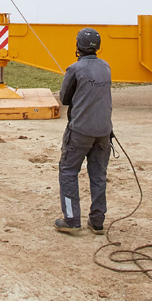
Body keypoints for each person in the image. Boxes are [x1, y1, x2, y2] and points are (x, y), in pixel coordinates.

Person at [54, 27, 113, 235]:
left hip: (79, 132)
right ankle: (97, 222)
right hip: (104, 133)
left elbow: (65, 99)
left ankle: (71, 220)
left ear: (78, 46)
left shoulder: (75, 69)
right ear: (97, 47)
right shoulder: (106, 67)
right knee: (98, 175)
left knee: (68, 172)